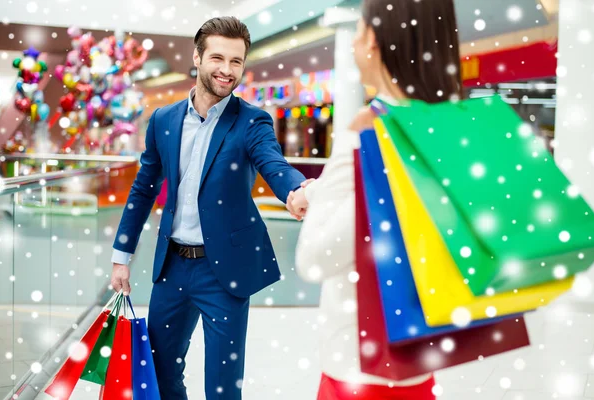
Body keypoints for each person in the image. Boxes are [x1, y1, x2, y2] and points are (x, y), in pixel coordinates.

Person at [110, 16, 309, 400]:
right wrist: (122, 255)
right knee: (161, 372)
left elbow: (273, 163)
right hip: (172, 268)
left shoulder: (252, 121)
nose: (227, 70)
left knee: (222, 388)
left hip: (226, 273)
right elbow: (143, 189)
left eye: (237, 61)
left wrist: (295, 190)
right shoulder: (164, 120)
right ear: (197, 58)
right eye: (218, 58)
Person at [291, 0, 463, 398]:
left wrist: (336, 175)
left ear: (370, 38)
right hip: (421, 352)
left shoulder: (369, 135)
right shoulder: (446, 131)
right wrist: (318, 191)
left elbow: (315, 258)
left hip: (361, 368)